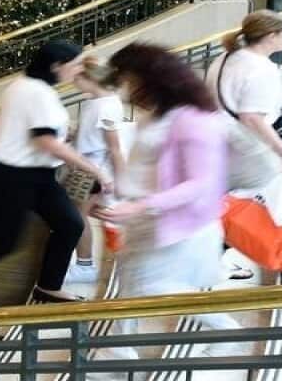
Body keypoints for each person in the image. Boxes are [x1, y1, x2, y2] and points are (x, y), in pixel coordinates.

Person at [0, 42, 113, 305]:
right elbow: (45, 141)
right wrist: (95, 170)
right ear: (57, 66)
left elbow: (7, 123)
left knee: (70, 224)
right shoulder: (37, 92)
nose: (79, 70)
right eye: (76, 64)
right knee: (4, 241)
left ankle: (48, 286)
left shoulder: (24, 85)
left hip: (36, 175)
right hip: (14, 176)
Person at [95, 43, 239, 360]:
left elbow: (200, 183)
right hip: (144, 219)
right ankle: (117, 357)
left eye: (129, 80)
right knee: (131, 289)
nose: (126, 89)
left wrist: (140, 205)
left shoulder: (192, 120)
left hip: (173, 224)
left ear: (153, 78)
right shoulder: (159, 113)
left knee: (153, 290)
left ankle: (225, 330)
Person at [205, 9, 282, 170]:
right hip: (244, 150)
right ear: (272, 36)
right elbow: (251, 118)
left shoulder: (225, 57)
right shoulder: (261, 68)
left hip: (217, 140)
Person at [66, 58, 125, 284]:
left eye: (77, 78)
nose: (73, 82)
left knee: (78, 217)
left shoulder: (108, 105)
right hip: (84, 166)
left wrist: (120, 179)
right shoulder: (95, 102)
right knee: (83, 214)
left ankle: (85, 265)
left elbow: (115, 148)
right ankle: (87, 264)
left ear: (90, 78)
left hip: (92, 169)